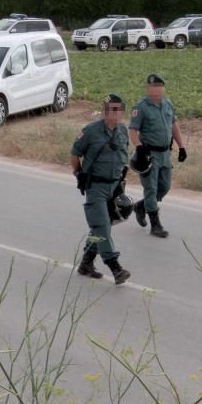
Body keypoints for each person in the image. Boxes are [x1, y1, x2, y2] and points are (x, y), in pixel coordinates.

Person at [70, 94, 132, 284]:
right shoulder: (91, 131)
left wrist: (121, 182)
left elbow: (123, 155)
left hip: (114, 186)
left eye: (118, 109)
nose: (114, 112)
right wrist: (78, 173)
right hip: (95, 186)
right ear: (105, 111)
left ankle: (86, 264)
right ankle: (115, 267)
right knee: (103, 226)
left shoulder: (123, 131)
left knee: (99, 227)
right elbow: (75, 152)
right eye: (110, 109)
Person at [130, 74, 186, 237]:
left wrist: (181, 147)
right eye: (153, 86)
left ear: (163, 88)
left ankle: (141, 206)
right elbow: (133, 131)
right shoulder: (140, 107)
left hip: (165, 153)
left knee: (165, 186)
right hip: (149, 154)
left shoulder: (167, 104)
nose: (156, 89)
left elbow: (174, 125)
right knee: (151, 188)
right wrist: (139, 148)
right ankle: (156, 225)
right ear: (147, 88)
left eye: (159, 86)